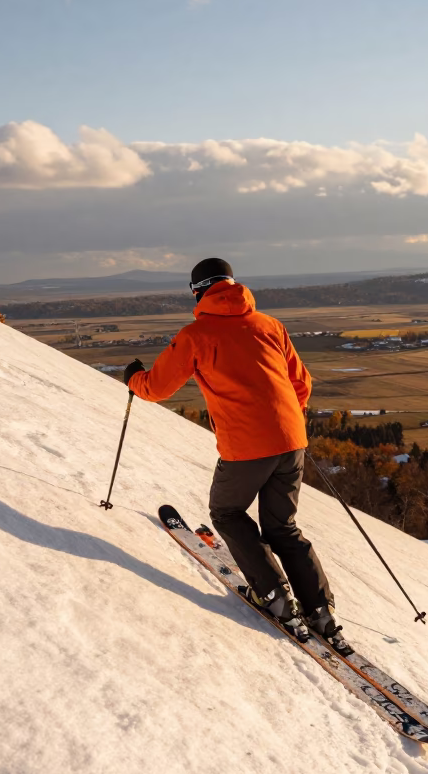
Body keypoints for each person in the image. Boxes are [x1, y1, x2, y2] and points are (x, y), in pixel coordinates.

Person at [124, 257, 338, 643]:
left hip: (246, 446)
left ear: (197, 292)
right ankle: (320, 610)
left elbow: (156, 388)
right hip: (292, 441)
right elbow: (301, 384)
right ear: (233, 284)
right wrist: (285, 422)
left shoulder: (196, 335)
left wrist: (133, 378)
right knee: (283, 527)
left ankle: (273, 596)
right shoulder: (270, 325)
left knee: (226, 512)